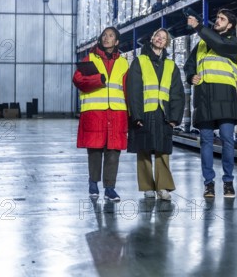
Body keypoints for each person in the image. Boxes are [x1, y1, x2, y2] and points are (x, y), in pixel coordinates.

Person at [184, 9, 237, 198]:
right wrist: (190, 76)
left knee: (227, 141)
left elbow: (219, 44)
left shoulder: (233, 43)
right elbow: (189, 63)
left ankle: (228, 182)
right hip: (204, 98)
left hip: (225, 98)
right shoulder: (202, 43)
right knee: (206, 143)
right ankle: (209, 184)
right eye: (217, 18)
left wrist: (199, 26)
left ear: (231, 25)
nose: (217, 21)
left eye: (222, 19)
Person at [126, 28, 185, 201]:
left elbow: (177, 94)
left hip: (163, 115)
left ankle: (162, 186)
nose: (160, 39)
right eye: (157, 36)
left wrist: (175, 118)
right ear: (152, 38)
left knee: (163, 150)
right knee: (143, 149)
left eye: (163, 38)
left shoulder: (170, 65)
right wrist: (136, 115)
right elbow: (133, 90)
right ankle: (147, 187)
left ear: (167, 43)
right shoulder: (140, 61)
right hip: (144, 113)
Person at [73, 27, 129, 202]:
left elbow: (128, 89)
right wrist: (99, 80)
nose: (107, 38)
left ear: (117, 42)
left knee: (113, 152)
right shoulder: (90, 59)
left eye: (111, 36)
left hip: (117, 113)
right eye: (104, 35)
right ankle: (93, 184)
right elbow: (77, 80)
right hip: (95, 113)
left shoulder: (124, 62)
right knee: (95, 151)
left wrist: (133, 114)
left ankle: (110, 188)